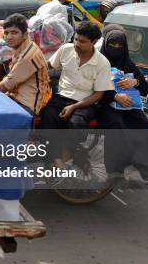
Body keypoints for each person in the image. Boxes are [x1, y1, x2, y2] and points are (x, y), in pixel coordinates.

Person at [96, 30, 148, 184]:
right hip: (104, 105)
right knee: (118, 127)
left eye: (119, 45)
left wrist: (134, 82)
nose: (116, 48)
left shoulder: (128, 63)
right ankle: (115, 173)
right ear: (105, 44)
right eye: (112, 44)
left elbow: (145, 88)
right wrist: (114, 95)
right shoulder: (99, 62)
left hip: (128, 106)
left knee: (147, 128)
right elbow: (93, 88)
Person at [39, 21, 113, 169]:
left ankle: (67, 155)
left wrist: (73, 107)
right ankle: (57, 158)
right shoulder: (66, 49)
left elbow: (98, 95)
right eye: (76, 39)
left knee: (75, 124)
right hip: (61, 96)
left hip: (85, 102)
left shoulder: (102, 63)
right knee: (47, 117)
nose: (77, 44)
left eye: (82, 41)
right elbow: (46, 66)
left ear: (94, 42)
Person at [0, 14, 51, 115]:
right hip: (15, 97)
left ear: (25, 34)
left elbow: (7, 84)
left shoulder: (28, 56)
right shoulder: (22, 47)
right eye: (7, 33)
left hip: (26, 105)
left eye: (14, 33)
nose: (9, 37)